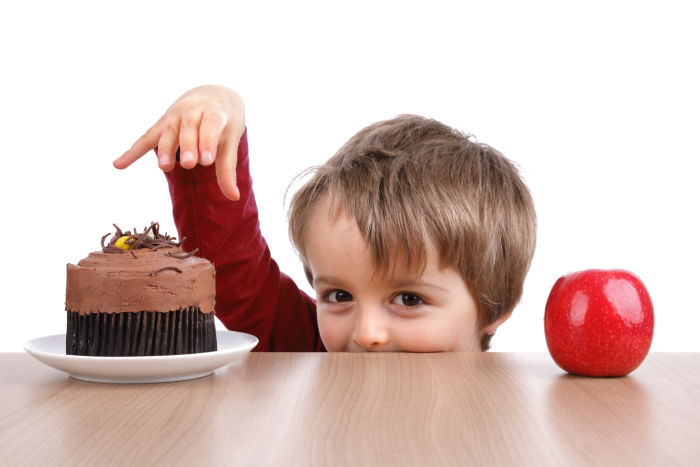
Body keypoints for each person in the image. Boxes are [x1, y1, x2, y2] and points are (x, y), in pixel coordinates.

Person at [114, 85, 536, 352]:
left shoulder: (514, 422)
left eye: (409, 299)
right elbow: (235, 273)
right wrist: (207, 145)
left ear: (494, 306)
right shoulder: (310, 345)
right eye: (338, 297)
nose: (367, 334)